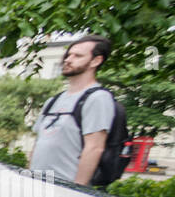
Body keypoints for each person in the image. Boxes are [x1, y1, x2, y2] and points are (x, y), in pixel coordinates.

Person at [29, 34, 117, 185]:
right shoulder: (53, 100)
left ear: (96, 61)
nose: (68, 59)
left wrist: (77, 192)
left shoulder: (98, 98)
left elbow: (94, 148)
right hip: (37, 188)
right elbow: (38, 144)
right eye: (69, 55)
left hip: (65, 190)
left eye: (77, 56)